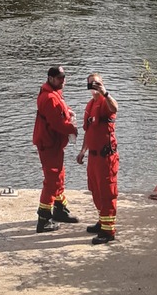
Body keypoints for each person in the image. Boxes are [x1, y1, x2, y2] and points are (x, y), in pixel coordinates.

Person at [32, 64, 79, 232]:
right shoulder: (49, 97)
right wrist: (73, 129)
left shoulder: (53, 93)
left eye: (64, 77)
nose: (63, 81)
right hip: (48, 143)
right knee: (52, 180)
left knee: (58, 175)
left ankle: (59, 210)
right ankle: (43, 219)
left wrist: (68, 111)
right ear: (51, 78)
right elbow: (58, 123)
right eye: (60, 78)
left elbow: (61, 109)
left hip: (53, 143)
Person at [76, 73, 118, 244]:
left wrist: (105, 92)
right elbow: (88, 131)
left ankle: (109, 231)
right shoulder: (90, 104)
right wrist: (82, 151)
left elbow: (115, 108)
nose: (94, 86)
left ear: (102, 84)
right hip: (93, 157)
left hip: (106, 156)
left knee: (107, 192)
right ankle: (102, 221)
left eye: (97, 83)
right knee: (95, 190)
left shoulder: (104, 102)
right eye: (91, 84)